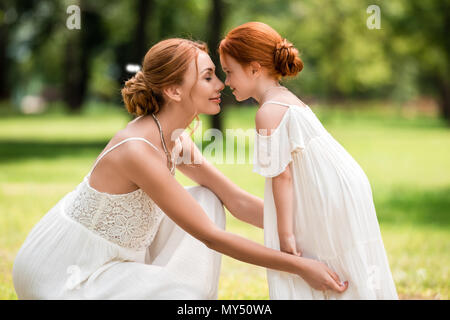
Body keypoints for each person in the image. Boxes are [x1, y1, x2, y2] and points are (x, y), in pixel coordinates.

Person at [12, 38, 348, 300]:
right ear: (174, 90)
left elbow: (235, 199)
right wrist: (301, 266)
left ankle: (163, 287)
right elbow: (211, 237)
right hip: (67, 272)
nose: (221, 85)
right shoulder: (137, 151)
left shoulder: (175, 138)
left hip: (119, 257)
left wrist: (313, 224)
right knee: (185, 299)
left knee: (209, 198)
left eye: (217, 75)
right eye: (207, 77)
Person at [219, 22, 398, 299]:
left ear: (254, 68)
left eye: (229, 72)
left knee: (325, 263)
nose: (226, 82)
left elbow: (282, 176)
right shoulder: (286, 99)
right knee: (347, 264)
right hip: (342, 186)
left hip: (327, 193)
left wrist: (285, 234)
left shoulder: (267, 112)